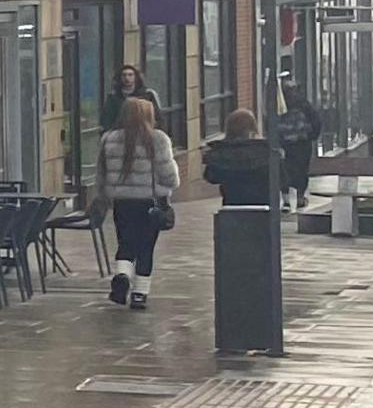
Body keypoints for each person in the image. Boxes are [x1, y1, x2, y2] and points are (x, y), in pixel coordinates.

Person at [87, 95, 184, 310]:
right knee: (146, 248)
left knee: (126, 242)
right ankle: (139, 294)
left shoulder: (108, 138)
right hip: (150, 203)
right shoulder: (158, 139)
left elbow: (101, 174)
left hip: (122, 202)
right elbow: (170, 177)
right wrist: (170, 184)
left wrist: (102, 196)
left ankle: (122, 275)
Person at [208, 108, 284, 210]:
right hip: (263, 204)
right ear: (253, 128)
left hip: (232, 204)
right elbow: (283, 179)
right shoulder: (266, 151)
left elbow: (212, 177)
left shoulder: (222, 152)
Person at [273, 87, 323, 210]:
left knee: (284, 171)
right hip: (302, 143)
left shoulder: (278, 105)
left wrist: (275, 141)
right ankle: (300, 197)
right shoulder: (304, 104)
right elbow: (316, 120)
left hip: (284, 143)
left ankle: (286, 201)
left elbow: (271, 123)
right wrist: (311, 136)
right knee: (302, 170)